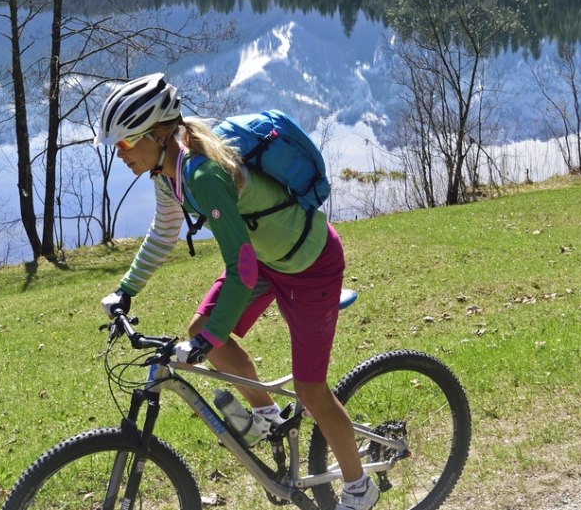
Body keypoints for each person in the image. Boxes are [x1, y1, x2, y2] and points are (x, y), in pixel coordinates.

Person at [95, 73, 379, 509]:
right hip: (266, 259)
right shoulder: (167, 169)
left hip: (309, 266)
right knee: (205, 325)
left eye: (126, 143)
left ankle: (360, 490)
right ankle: (267, 418)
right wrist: (126, 289)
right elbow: (166, 230)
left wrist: (204, 344)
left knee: (310, 389)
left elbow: (240, 266)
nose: (120, 153)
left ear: (155, 134)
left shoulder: (202, 171)